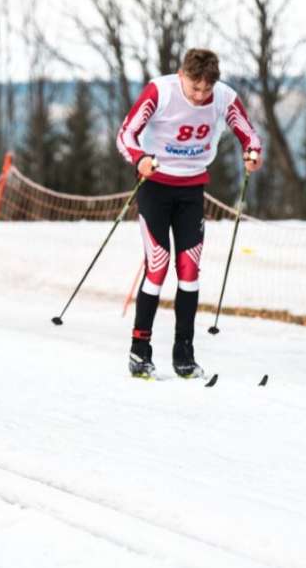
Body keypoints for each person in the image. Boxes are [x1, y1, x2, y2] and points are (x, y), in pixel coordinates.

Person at [115, 48, 263, 380]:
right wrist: (139, 158)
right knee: (158, 264)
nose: (199, 97)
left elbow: (249, 134)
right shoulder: (161, 91)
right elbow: (125, 134)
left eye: (205, 90)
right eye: (194, 88)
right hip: (155, 184)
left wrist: (253, 152)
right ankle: (140, 351)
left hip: (192, 188)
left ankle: (184, 353)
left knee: (189, 268)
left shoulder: (223, 97)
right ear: (182, 76)